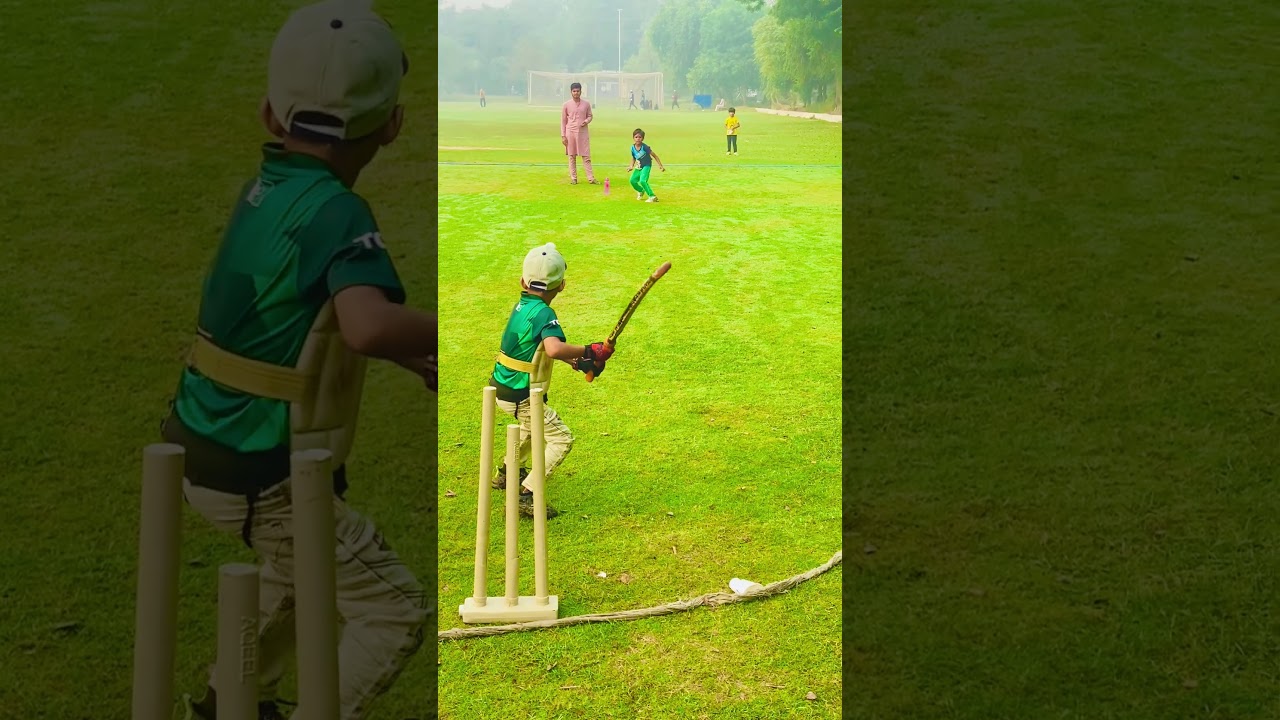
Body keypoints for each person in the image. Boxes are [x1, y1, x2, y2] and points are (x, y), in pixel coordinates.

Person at [163, 2, 435, 718]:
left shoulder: (265, 192)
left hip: (200, 444)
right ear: (393, 125)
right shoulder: (338, 211)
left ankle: (227, 704)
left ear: (269, 112)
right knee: (395, 608)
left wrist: (411, 357)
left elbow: (293, 318)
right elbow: (366, 325)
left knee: (293, 578)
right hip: (264, 471)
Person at [488, 243, 615, 519]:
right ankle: (527, 495)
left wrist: (578, 362)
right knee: (561, 438)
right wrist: (589, 350)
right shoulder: (545, 313)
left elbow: (538, 348)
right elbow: (554, 348)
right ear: (562, 285)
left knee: (530, 427)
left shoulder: (522, 306)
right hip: (521, 394)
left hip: (502, 388)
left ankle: (508, 472)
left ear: (523, 281)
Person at [561, 81, 596, 184]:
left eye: (578, 91)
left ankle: (591, 178)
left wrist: (586, 121)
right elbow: (563, 121)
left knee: (586, 156)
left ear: (581, 92)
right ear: (571, 92)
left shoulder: (586, 104)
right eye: (574, 91)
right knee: (572, 156)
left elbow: (590, 115)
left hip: (582, 132)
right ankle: (574, 178)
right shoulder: (566, 105)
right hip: (570, 132)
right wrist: (563, 135)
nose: (576, 93)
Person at [627, 127, 666, 202]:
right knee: (632, 180)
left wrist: (660, 166)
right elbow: (633, 158)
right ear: (633, 138)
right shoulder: (632, 148)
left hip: (646, 166)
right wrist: (631, 166)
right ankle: (641, 191)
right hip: (639, 166)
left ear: (643, 138)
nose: (638, 139)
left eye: (640, 137)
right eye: (636, 137)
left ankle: (652, 196)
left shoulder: (645, 147)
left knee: (643, 181)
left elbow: (655, 156)